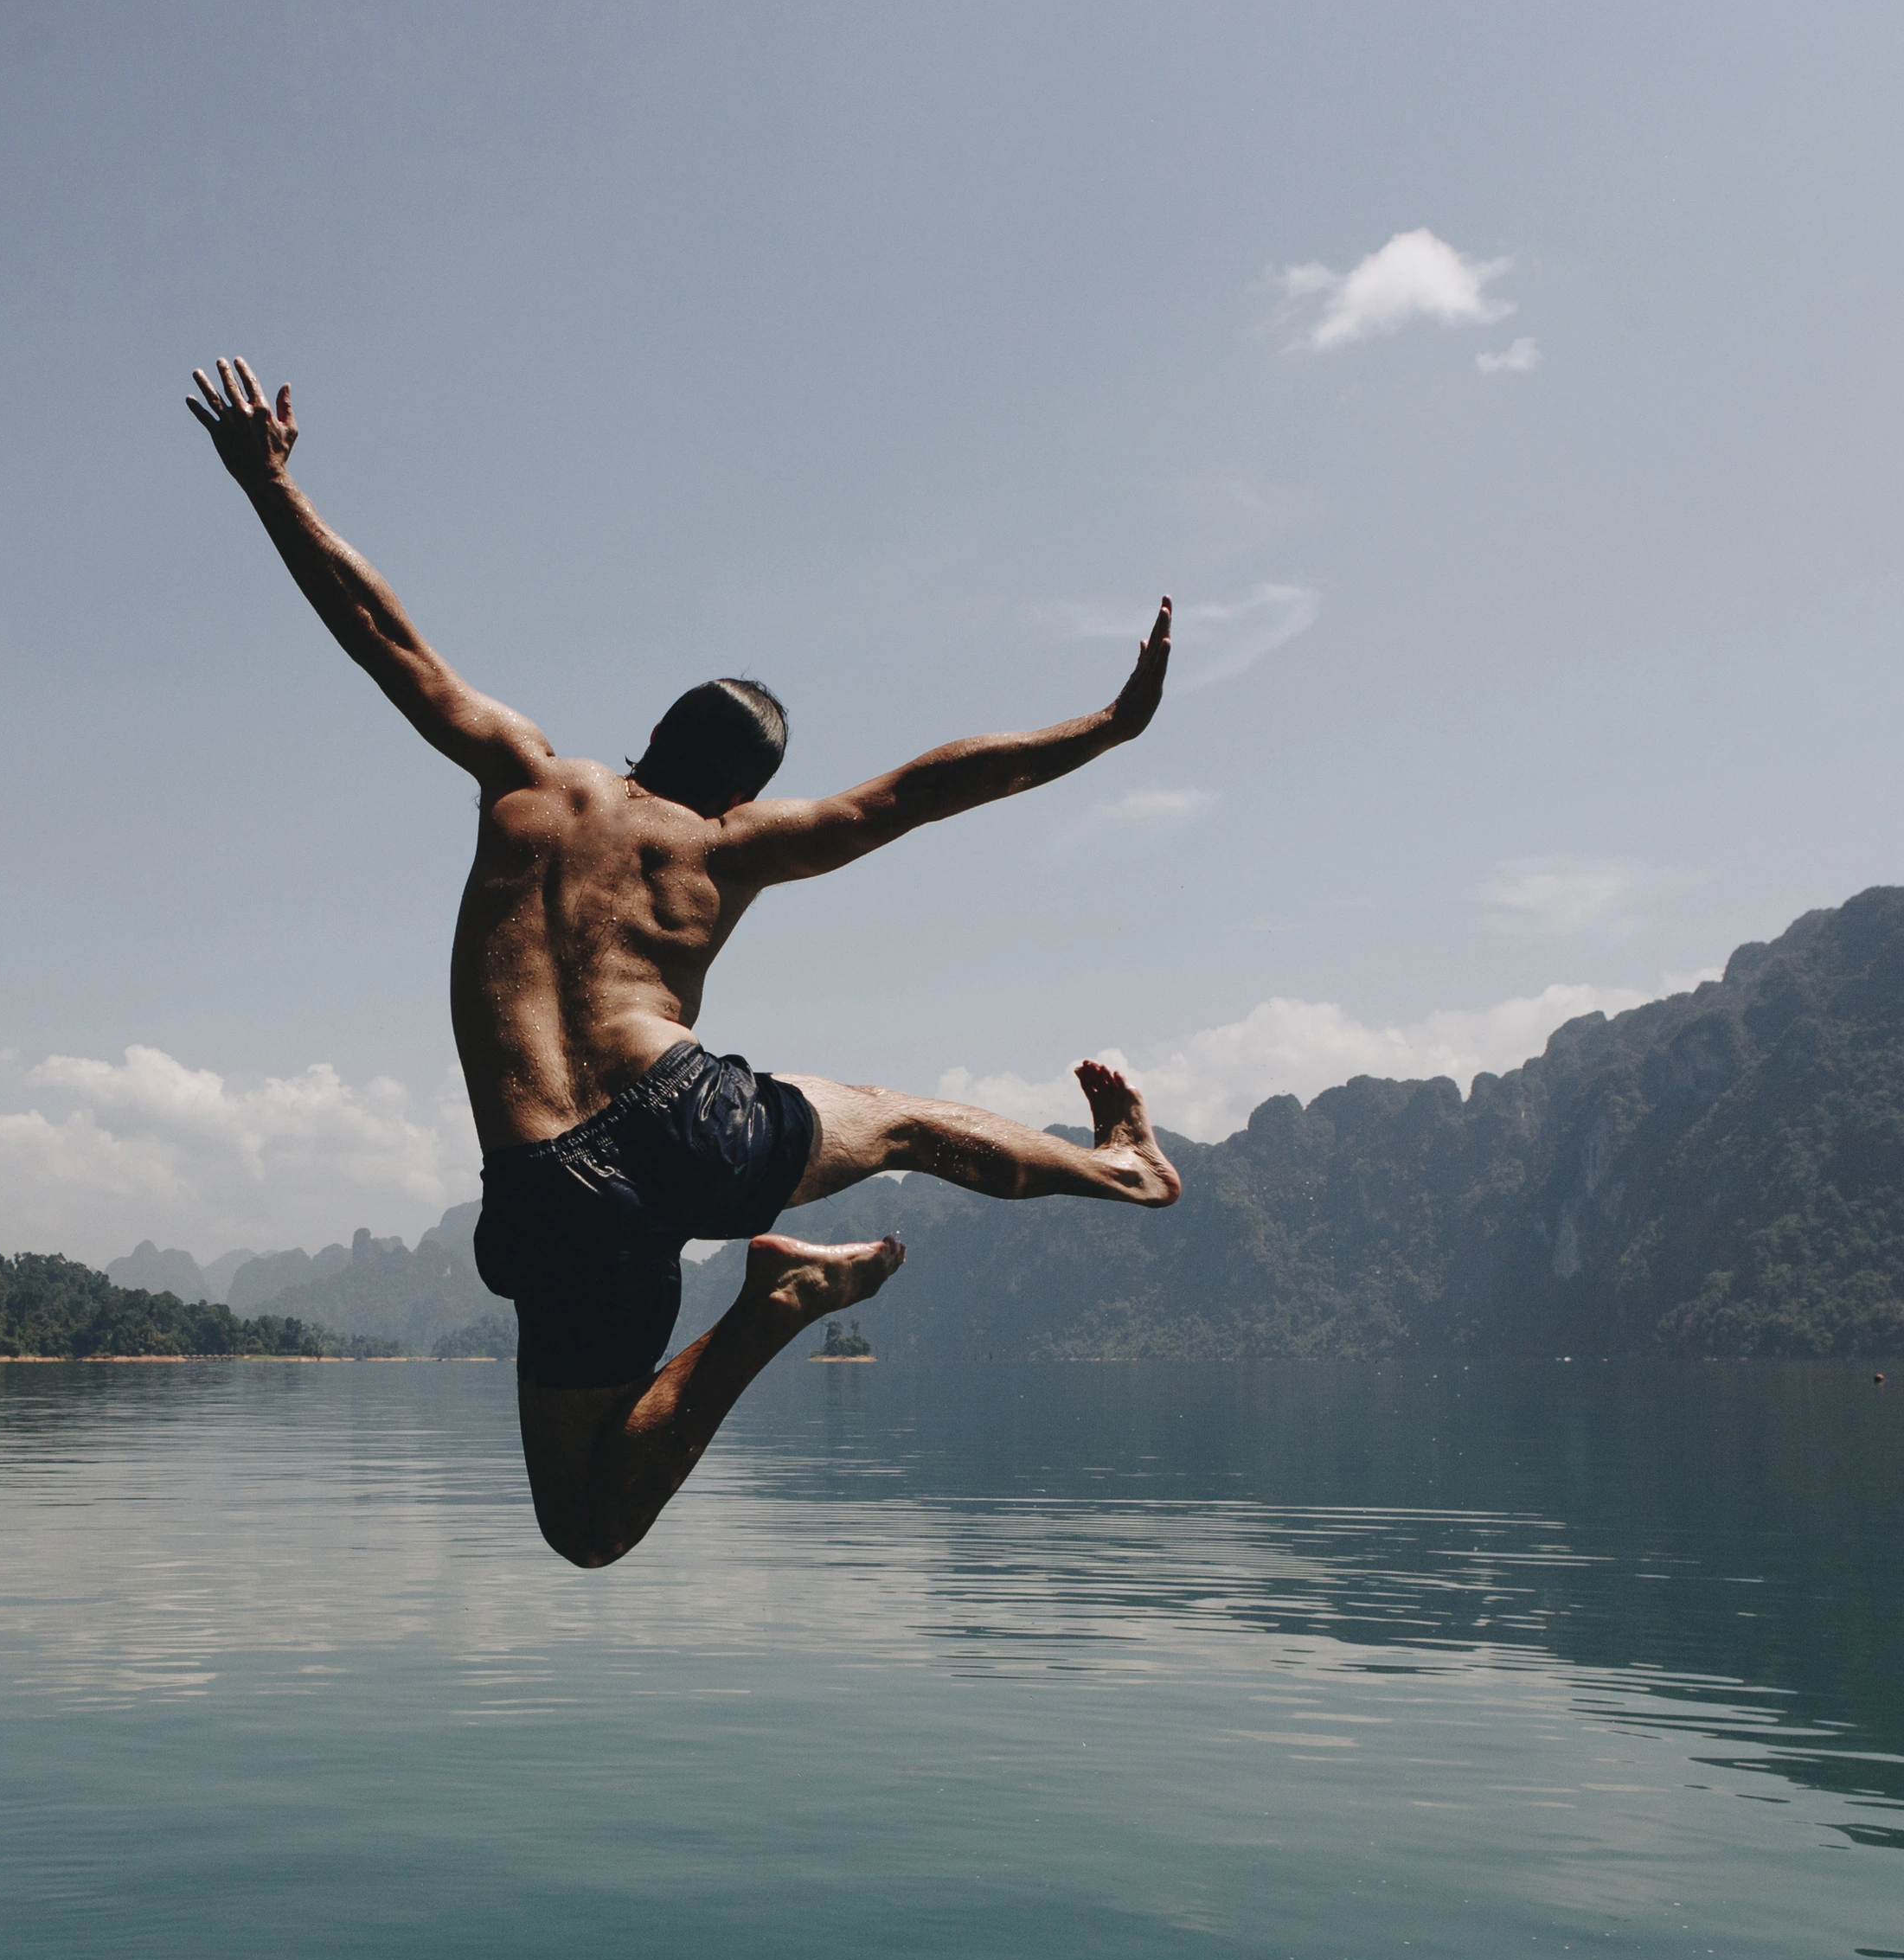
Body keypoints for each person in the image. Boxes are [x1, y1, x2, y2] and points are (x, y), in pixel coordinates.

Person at [188, 357, 1183, 1567]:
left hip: (547, 1186)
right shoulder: (731, 843)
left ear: (651, 731)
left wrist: (269, 483)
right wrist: (1108, 726)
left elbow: (383, 637)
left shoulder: (526, 776)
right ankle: (1121, 1171)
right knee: (908, 1126)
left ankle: (771, 1312)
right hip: (687, 1117)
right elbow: (920, 791)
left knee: (588, 1528)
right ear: (744, 788)